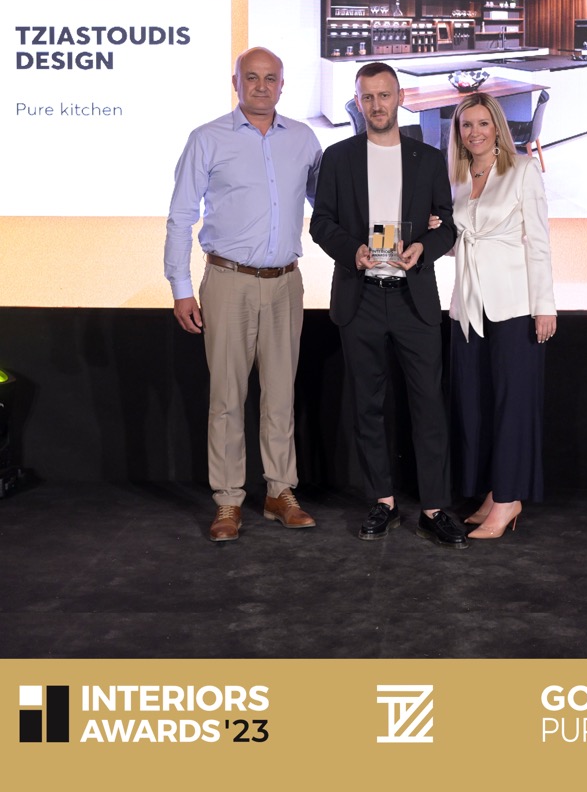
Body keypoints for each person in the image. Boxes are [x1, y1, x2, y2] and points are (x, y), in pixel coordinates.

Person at [165, 47, 322, 542]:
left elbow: (330, 202)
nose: (261, 86)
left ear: (282, 85)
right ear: (235, 83)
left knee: (281, 395)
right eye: (251, 77)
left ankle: (279, 492)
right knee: (227, 397)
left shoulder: (303, 139)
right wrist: (181, 288)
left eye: (270, 78)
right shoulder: (207, 138)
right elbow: (181, 216)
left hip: (286, 283)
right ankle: (229, 499)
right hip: (227, 281)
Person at [310, 62, 468, 549]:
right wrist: (351, 250)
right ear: (358, 102)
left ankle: (435, 508)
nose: (376, 105)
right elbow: (321, 223)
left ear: (400, 97)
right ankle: (383, 502)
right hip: (359, 298)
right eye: (368, 97)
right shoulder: (338, 157)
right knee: (368, 405)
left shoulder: (428, 158)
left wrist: (424, 247)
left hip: (412, 298)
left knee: (428, 405)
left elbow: (448, 225)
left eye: (384, 95)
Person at [447, 92, 557, 540]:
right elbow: (463, 239)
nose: (474, 132)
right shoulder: (457, 177)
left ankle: (510, 499)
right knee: (478, 403)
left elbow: (539, 242)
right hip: (468, 306)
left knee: (512, 404)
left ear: (497, 127)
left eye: (482, 123)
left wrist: (544, 305)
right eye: (466, 125)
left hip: (514, 305)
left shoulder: (523, 170)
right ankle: (496, 491)